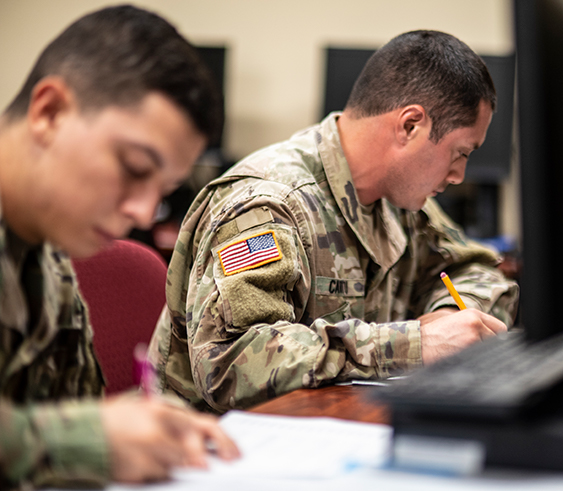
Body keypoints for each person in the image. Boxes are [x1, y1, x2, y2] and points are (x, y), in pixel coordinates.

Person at [149, 30, 520, 414]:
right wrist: (415, 344)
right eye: (459, 153)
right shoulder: (267, 203)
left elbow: (478, 268)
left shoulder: (400, 201)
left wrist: (450, 320)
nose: (460, 175)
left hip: (333, 428)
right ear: (410, 125)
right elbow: (233, 362)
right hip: (219, 449)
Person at [0, 6, 240, 489]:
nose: (144, 210)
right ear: (49, 112)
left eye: (164, 186)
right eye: (133, 167)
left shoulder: (50, 257)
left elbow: (64, 411)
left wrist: (147, 424)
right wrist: (86, 439)